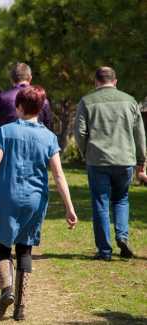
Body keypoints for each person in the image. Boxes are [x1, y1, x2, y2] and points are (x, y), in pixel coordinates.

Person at [0, 86, 78, 321]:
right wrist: (70, 208)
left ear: (18, 106)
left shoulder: (6, 132)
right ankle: (20, 307)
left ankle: (6, 290)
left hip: (6, 196)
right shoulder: (49, 137)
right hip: (34, 200)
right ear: (40, 109)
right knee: (24, 249)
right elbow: (59, 175)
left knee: (1, 247)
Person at [74, 66, 146, 261]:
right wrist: (141, 160)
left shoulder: (86, 101)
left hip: (97, 160)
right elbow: (140, 134)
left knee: (101, 203)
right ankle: (122, 236)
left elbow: (79, 132)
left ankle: (104, 250)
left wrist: (86, 152)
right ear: (115, 81)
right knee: (121, 200)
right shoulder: (130, 101)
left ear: (96, 82)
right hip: (125, 159)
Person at [0, 62, 53, 146]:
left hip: (8, 149)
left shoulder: (2, 98)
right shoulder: (43, 100)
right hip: (36, 149)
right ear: (30, 78)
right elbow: (48, 127)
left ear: (11, 79)